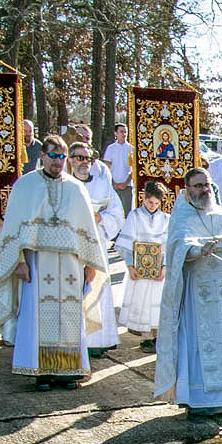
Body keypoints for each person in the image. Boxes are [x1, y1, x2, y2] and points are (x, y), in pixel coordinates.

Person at [0, 136, 107, 391]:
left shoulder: (77, 189)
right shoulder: (25, 185)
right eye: (53, 155)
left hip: (70, 265)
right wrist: (18, 260)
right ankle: (41, 371)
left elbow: (87, 230)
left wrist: (90, 264)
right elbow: (13, 228)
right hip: (37, 262)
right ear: (42, 155)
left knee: (69, 315)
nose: (58, 161)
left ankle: (68, 371)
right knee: (37, 316)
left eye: (62, 156)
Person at [154, 167, 222, 423]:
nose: (203, 190)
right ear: (187, 189)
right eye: (197, 185)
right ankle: (198, 400)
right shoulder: (181, 216)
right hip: (196, 292)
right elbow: (176, 251)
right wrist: (197, 251)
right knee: (197, 343)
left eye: (206, 184)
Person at [68, 141, 124, 357]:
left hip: (96, 242)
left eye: (87, 158)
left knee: (97, 289)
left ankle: (97, 340)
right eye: (79, 157)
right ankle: (75, 339)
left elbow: (118, 214)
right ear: (70, 160)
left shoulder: (102, 184)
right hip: (71, 244)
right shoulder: (66, 183)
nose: (84, 162)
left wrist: (102, 217)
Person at [116, 181, 171, 352]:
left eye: (156, 203)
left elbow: (168, 244)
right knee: (142, 299)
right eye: (149, 202)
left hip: (157, 268)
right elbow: (126, 243)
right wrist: (130, 265)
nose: (152, 206)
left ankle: (157, 336)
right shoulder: (135, 216)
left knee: (157, 300)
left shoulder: (166, 219)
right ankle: (146, 336)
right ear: (143, 199)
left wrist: (164, 266)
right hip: (139, 267)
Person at [102, 123, 135, 215]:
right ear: (115, 133)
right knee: (113, 211)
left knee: (126, 212)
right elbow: (107, 167)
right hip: (113, 185)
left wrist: (126, 183)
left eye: (125, 132)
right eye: (121, 132)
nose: (124, 134)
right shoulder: (111, 148)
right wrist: (113, 183)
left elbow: (134, 169)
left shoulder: (131, 149)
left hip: (127, 186)